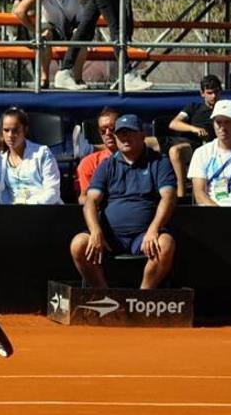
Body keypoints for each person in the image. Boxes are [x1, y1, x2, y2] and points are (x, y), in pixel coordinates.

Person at [69, 113, 177, 289]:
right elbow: (90, 201)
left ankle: (142, 299)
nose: (125, 138)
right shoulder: (107, 165)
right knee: (78, 244)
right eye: (121, 134)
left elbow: (169, 197)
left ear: (142, 135)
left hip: (144, 235)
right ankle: (106, 297)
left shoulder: (159, 162)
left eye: (130, 133)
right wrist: (95, 231)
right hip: (109, 236)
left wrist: (154, 229)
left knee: (166, 244)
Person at [13, 0, 85, 88]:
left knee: (80, 35)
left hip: (73, 23)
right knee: (45, 36)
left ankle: (78, 79)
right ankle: (44, 78)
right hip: (51, 25)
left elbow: (88, 2)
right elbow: (19, 11)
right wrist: (35, 30)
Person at [0, 107, 62, 205]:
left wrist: (28, 205)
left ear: (25, 130)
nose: (10, 135)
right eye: (6, 130)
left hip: (43, 211)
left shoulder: (42, 153)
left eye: (15, 130)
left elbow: (53, 192)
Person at [167, 74, 221, 198]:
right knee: (146, 142)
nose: (214, 96)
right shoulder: (193, 107)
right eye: (209, 93)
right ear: (202, 93)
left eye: (216, 92)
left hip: (199, 146)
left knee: (175, 151)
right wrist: (193, 129)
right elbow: (174, 123)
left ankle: (181, 194)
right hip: (181, 139)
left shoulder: (223, 110)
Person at [76, 106, 119, 204]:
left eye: (112, 129)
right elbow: (83, 198)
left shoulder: (135, 157)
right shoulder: (89, 162)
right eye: (103, 131)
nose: (107, 133)